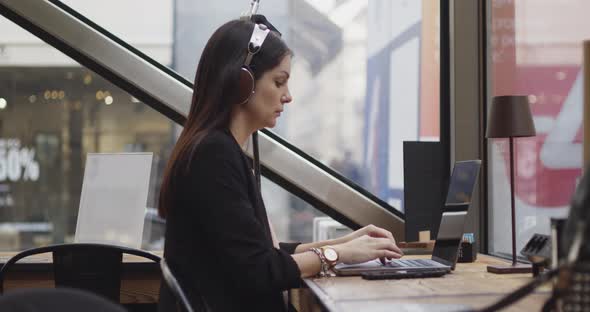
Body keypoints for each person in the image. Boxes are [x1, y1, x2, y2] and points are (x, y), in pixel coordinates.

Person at [157, 19, 403, 312]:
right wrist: (338, 254)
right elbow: (259, 270)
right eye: (279, 81)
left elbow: (259, 254)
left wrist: (349, 243)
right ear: (242, 82)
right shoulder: (213, 155)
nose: (288, 96)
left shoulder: (219, 150)